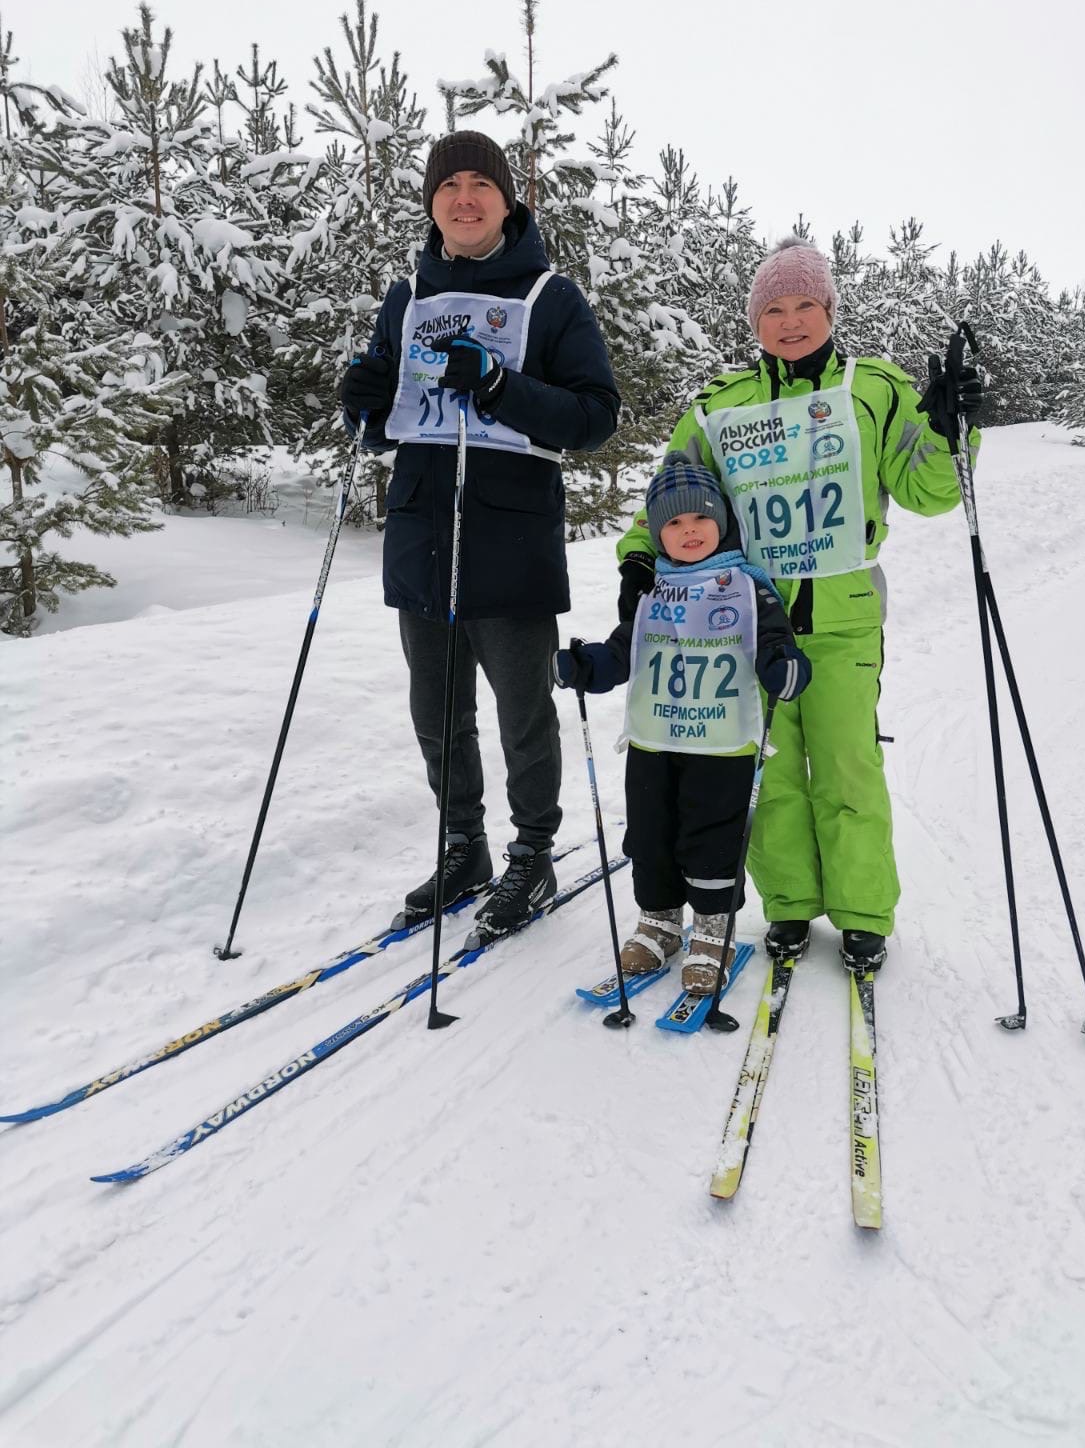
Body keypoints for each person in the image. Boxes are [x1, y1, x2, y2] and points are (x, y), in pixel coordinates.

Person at [615, 236, 982, 973]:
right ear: (756, 321)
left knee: (847, 767)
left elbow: (930, 491)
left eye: (804, 305)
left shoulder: (873, 389)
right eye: (773, 309)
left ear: (829, 309)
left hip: (843, 620)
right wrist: (638, 559)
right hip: (743, 623)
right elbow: (670, 496)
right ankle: (787, 903)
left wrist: (951, 432)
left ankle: (862, 911)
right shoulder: (722, 405)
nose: (789, 322)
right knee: (769, 773)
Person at [340, 130, 619, 936]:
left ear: (506, 199)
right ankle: (464, 843)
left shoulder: (550, 297)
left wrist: (501, 385)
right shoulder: (408, 297)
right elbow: (386, 425)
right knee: (437, 711)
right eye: (449, 185)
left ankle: (532, 853)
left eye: (480, 184)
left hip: (508, 539)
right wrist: (361, 400)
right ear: (433, 202)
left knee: (521, 714)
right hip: (421, 537)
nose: (464, 198)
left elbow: (595, 418)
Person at [553, 453, 810, 994]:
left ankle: (712, 929)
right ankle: (660, 921)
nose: (689, 530)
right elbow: (626, 649)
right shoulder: (652, 591)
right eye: (673, 522)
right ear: (658, 533)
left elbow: (776, 640)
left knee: (710, 836)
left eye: (700, 519)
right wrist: (588, 665)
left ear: (722, 521)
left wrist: (783, 664)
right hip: (656, 738)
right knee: (650, 831)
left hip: (722, 741)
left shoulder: (746, 585)